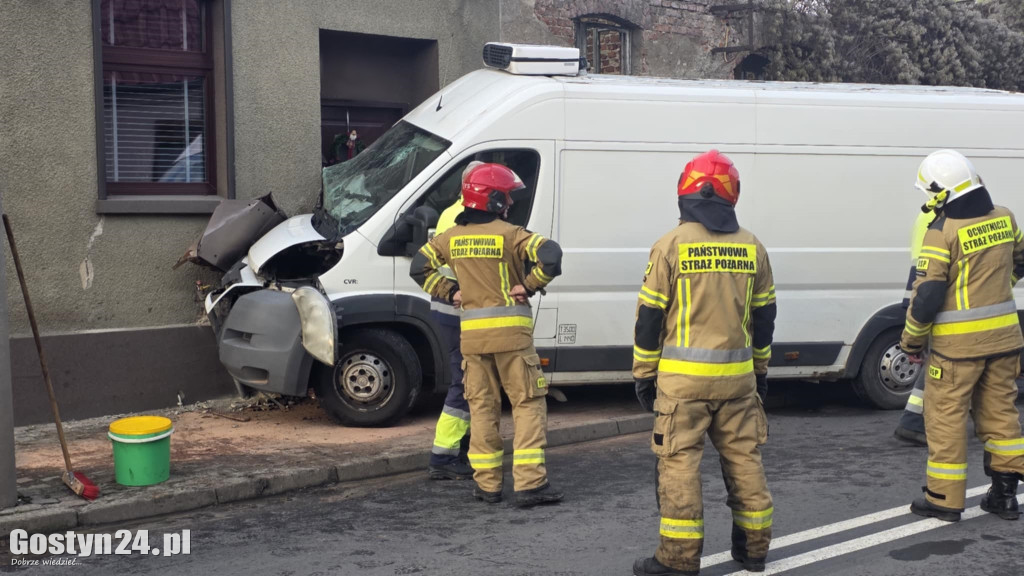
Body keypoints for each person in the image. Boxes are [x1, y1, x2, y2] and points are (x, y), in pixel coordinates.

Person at [632, 150, 776, 576]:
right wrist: (761, 371)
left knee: (679, 466)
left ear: (685, 192)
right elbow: (764, 318)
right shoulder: (753, 246)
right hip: (738, 383)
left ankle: (677, 561)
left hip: (682, 386)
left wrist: (643, 375)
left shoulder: (670, 245)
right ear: (732, 196)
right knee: (745, 460)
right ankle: (754, 550)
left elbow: (649, 320)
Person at [410, 162, 565, 508]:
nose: (509, 203)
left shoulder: (450, 238)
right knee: (527, 406)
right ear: (494, 200)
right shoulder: (510, 234)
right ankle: (530, 485)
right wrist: (529, 285)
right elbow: (551, 255)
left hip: (473, 343)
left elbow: (418, 266)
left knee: (482, 410)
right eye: (506, 196)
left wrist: (450, 292)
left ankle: (488, 485)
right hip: (512, 340)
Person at [901, 149, 1024, 522]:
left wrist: (911, 342)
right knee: (1001, 414)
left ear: (941, 193)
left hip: (957, 350)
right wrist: (1002, 286)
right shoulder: (1004, 217)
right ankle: (1004, 497)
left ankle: (943, 499)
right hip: (1004, 341)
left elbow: (927, 297)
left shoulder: (942, 232)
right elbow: (1021, 258)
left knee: (945, 420)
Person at [426, 162, 484, 480]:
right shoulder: (463, 219)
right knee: (464, 382)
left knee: (470, 381)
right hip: (459, 309)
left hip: (451, 308)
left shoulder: (452, 211)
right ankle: (443, 455)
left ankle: (459, 448)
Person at [894, 209, 937, 446]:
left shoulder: (928, 213)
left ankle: (912, 421)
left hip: (921, 292)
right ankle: (911, 422)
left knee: (936, 364)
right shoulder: (942, 216)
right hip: (934, 298)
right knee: (938, 365)